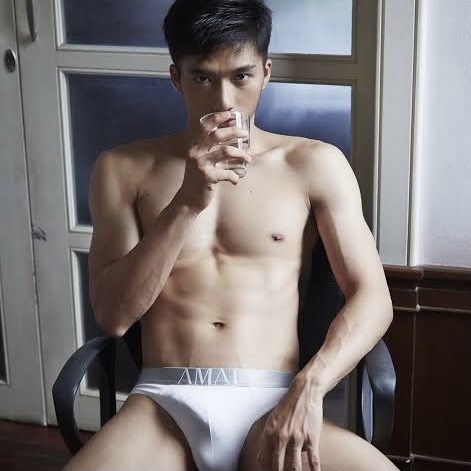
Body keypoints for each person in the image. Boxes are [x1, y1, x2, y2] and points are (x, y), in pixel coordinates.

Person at [63, 1, 399, 470]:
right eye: (202, 78)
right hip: (164, 405)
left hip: (274, 400)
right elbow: (114, 317)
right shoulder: (122, 169)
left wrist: (311, 385)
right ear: (176, 79)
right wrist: (186, 202)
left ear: (265, 73)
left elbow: (374, 298)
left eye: (241, 76)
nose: (223, 100)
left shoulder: (314, 164)